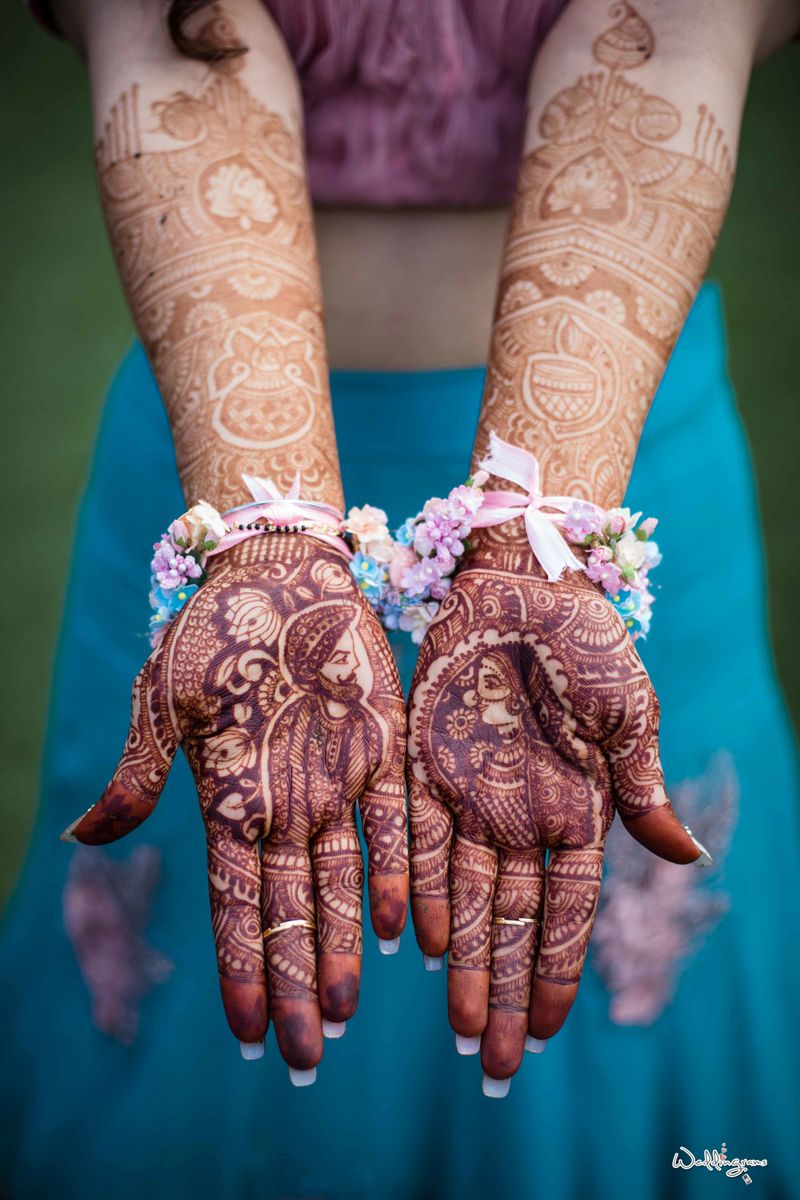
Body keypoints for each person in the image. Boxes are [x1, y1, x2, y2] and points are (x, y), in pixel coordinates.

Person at [2, 0, 799, 1196]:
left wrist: (544, 540)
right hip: (210, 460)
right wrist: (265, 530)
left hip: (613, 464)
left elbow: (666, 23)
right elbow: (181, 31)